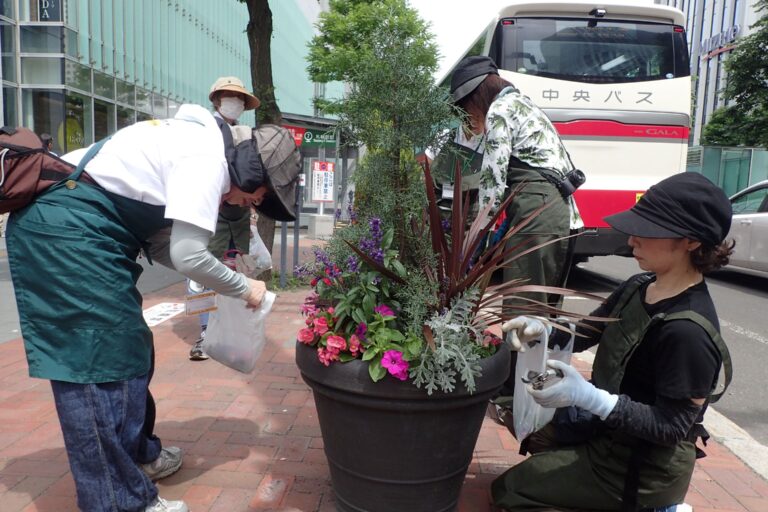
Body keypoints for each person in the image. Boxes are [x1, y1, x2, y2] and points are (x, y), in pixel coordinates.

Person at [4, 103, 273, 512]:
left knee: (131, 348)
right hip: (67, 235)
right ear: (252, 172)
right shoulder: (207, 158)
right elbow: (187, 256)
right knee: (95, 363)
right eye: (260, 195)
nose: (253, 203)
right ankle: (117, 501)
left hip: (85, 233)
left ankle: (139, 458)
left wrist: (223, 277)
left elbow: (164, 246)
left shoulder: (194, 145)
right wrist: (243, 288)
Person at [491, 172, 734, 511]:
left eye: (649, 230)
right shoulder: (639, 286)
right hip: (608, 432)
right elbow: (587, 331)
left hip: (641, 467)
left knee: (512, 493)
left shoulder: (688, 331)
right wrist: (544, 328)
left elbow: (671, 427)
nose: (632, 239)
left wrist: (590, 398)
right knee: (528, 429)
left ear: (691, 241)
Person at [449, 55, 584, 421]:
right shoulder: (522, 103)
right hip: (554, 210)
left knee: (524, 310)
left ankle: (518, 401)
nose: (466, 117)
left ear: (475, 97)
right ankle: (529, 393)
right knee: (537, 307)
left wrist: (471, 239)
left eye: (464, 108)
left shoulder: (498, 113)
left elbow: (492, 186)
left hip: (537, 210)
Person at [188, 75, 261, 361]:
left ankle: (226, 331)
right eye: (231, 97)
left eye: (241, 98)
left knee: (231, 270)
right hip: (210, 216)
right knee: (201, 274)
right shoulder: (206, 129)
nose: (236, 102)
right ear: (217, 99)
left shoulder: (242, 132)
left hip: (236, 219)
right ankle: (206, 332)